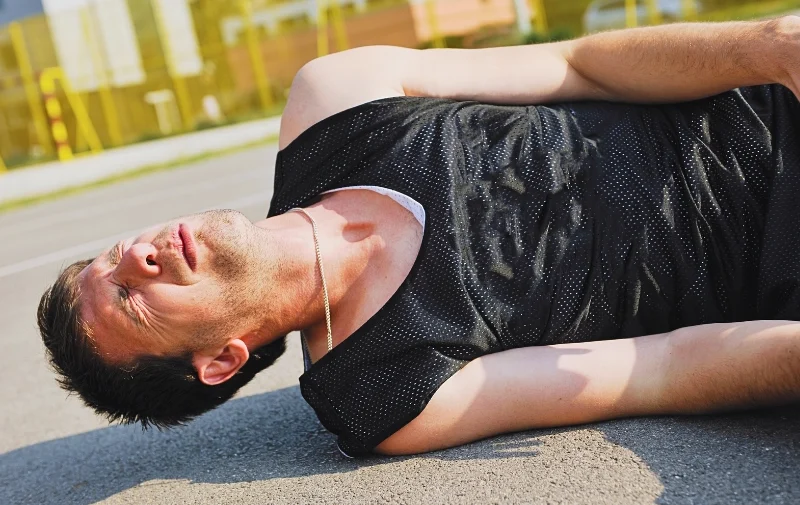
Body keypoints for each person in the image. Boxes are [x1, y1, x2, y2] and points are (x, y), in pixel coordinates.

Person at [38, 18, 800, 457]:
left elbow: (581, 64)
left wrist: (767, 47)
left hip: (770, 102)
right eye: (133, 300)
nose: (137, 255)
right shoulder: (383, 391)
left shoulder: (336, 98)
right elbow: (658, 367)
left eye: (114, 258)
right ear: (220, 360)